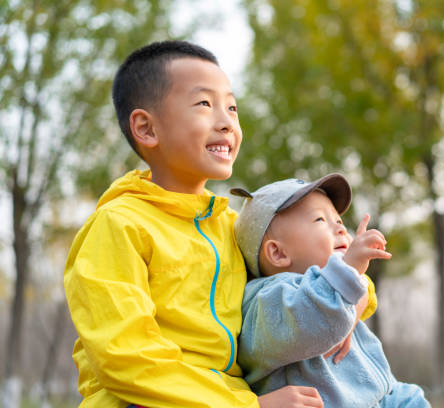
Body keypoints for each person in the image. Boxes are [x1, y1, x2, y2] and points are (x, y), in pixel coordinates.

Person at [64, 40, 326, 408]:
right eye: (204, 104)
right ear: (146, 128)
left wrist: (345, 303)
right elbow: (126, 358)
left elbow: (301, 272)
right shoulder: (118, 226)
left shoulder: (233, 227)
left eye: (232, 108)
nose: (226, 122)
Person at [232, 174, 432, 408]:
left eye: (338, 220)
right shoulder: (267, 299)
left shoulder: (337, 291)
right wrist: (347, 269)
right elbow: (310, 319)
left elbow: (377, 384)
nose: (339, 228)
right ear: (278, 253)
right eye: (320, 220)